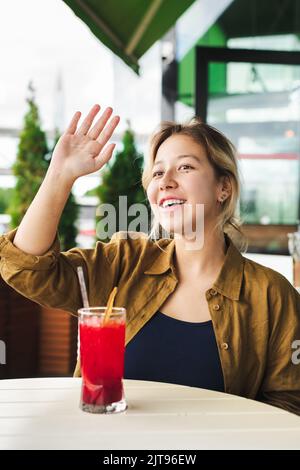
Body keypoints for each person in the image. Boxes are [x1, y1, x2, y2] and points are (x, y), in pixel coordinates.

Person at [0, 104, 299, 415]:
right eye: (157, 172)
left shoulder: (272, 295)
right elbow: (27, 269)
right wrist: (59, 175)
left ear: (223, 187)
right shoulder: (124, 262)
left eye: (185, 167)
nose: (165, 181)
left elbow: (289, 405)